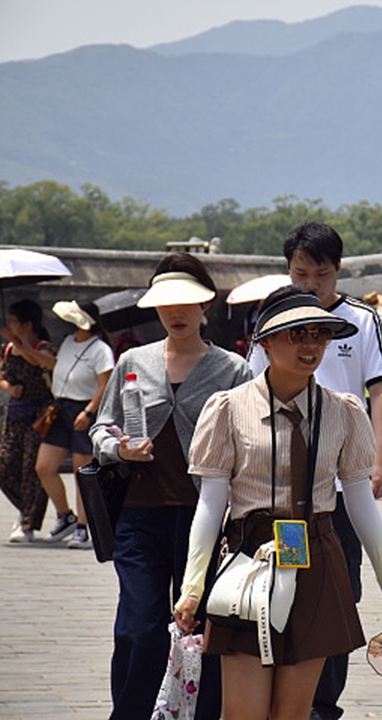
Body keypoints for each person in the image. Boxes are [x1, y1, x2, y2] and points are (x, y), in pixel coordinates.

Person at [174, 287, 382, 719]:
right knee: (243, 712)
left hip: (318, 559)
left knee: (292, 714)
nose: (310, 346)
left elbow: (359, 504)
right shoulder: (228, 408)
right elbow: (210, 505)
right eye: (296, 334)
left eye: (319, 336)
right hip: (249, 561)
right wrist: (192, 588)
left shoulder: (344, 411)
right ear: (265, 342)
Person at [246, 222, 382, 720]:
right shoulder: (271, 319)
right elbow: (248, 389)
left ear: (338, 271)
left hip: (337, 488)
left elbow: (380, 392)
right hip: (275, 489)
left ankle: (321, 703)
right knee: (275, 589)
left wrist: (380, 458)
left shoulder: (360, 319)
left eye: (321, 273)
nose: (311, 283)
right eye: (300, 272)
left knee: (337, 593)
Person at [91, 254, 253, 719]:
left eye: (186, 302)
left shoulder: (233, 370)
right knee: (139, 627)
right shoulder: (132, 361)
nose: (176, 312)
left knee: (204, 629)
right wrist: (119, 449)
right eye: (166, 304)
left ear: (205, 305)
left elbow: (250, 442)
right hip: (139, 515)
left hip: (205, 520)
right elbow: (102, 428)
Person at [35, 300, 115, 549]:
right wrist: (23, 346)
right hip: (60, 408)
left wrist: (89, 412)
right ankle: (64, 515)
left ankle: (83, 525)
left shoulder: (100, 349)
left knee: (82, 472)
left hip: (84, 409)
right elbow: (55, 366)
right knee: (44, 466)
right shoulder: (69, 342)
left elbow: (106, 384)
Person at [1, 299, 53, 543]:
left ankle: (27, 522)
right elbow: (1, 375)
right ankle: (27, 508)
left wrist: (21, 345)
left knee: (32, 468)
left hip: (39, 417)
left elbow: (40, 361)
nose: (9, 325)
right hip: (15, 415)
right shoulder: (8, 349)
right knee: (5, 465)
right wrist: (9, 388)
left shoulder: (43, 347)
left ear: (27, 324)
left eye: (13, 321)